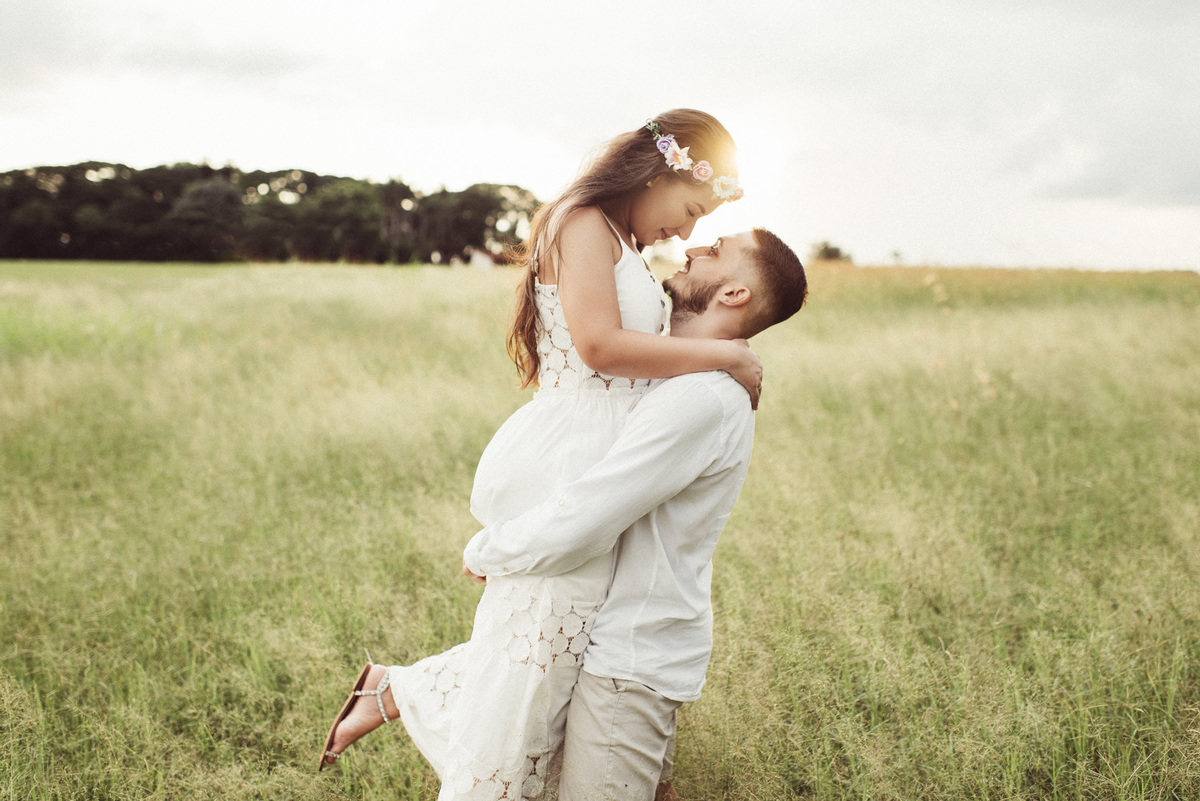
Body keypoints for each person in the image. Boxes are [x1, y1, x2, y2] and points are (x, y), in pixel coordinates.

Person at [319, 110, 755, 798]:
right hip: (570, 463)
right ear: (658, 170)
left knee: (547, 658)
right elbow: (599, 346)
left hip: (599, 463)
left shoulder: (620, 238)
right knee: (528, 686)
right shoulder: (581, 222)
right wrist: (724, 354)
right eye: (691, 208)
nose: (688, 232)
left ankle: (395, 688)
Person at [461, 228, 809, 800]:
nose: (694, 247)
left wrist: (488, 550)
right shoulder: (685, 378)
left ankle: (394, 693)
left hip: (630, 657)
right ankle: (397, 691)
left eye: (715, 251)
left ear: (734, 294)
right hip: (617, 637)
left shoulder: (699, 399)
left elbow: (590, 514)